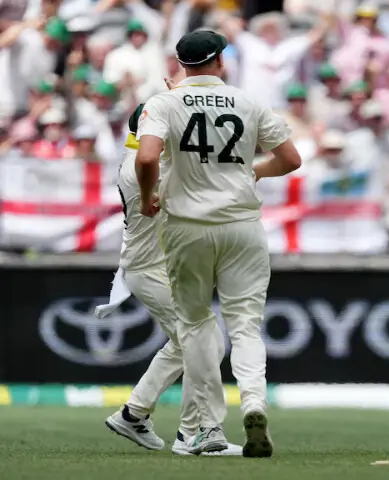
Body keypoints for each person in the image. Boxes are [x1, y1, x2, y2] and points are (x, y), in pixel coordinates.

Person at [134, 29, 302, 457]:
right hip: (242, 226)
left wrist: (150, 195)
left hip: (187, 227)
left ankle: (207, 427)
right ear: (221, 61)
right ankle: (254, 402)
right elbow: (290, 159)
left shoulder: (164, 102)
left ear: (180, 64)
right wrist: (253, 171)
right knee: (245, 325)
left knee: (194, 326)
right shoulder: (248, 101)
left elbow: (147, 155)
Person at [99, 103, 242, 456]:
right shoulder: (143, 166)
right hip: (149, 270)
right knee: (204, 342)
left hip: (157, 268)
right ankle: (191, 434)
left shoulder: (151, 161)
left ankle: (134, 414)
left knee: (191, 342)